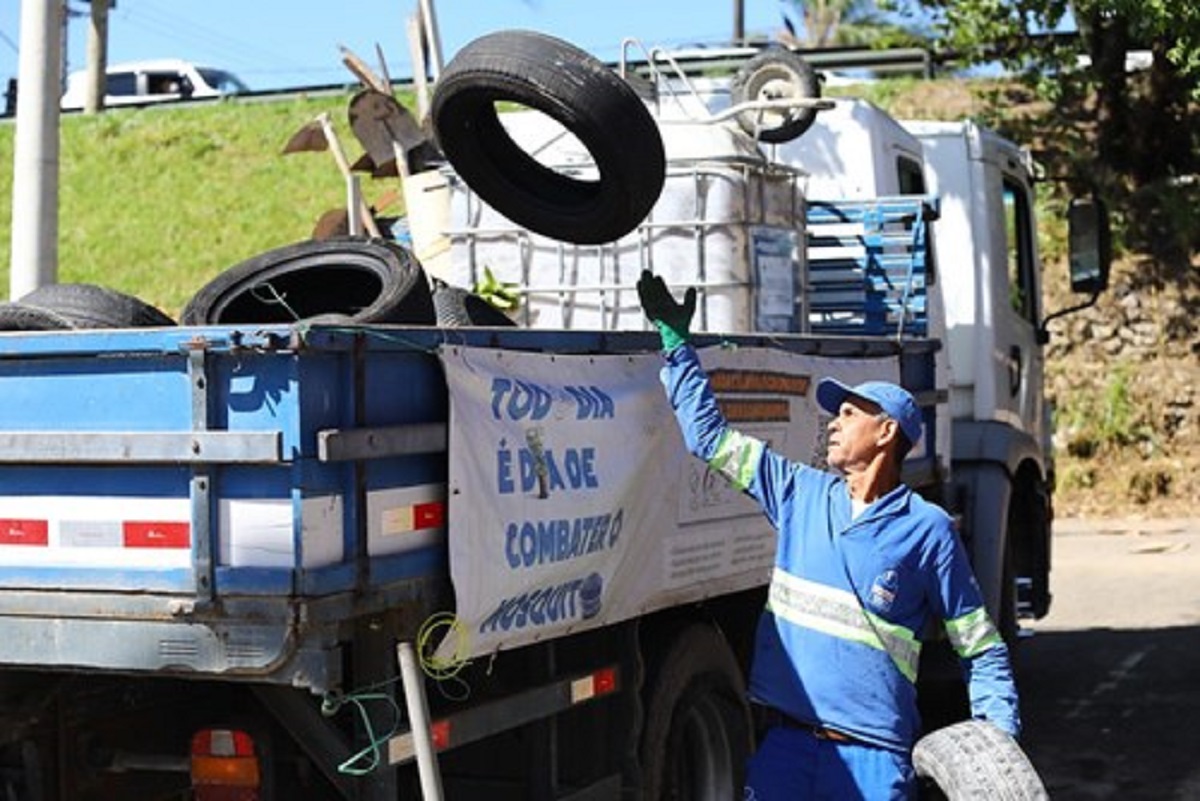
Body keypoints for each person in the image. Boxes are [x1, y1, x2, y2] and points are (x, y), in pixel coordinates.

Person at [636, 271, 1020, 800]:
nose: (832, 425)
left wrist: (999, 753)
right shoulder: (799, 492)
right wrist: (678, 348)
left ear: (886, 432)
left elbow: (980, 647)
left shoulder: (927, 531)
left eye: (846, 414)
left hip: (875, 759)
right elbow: (712, 441)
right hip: (786, 748)